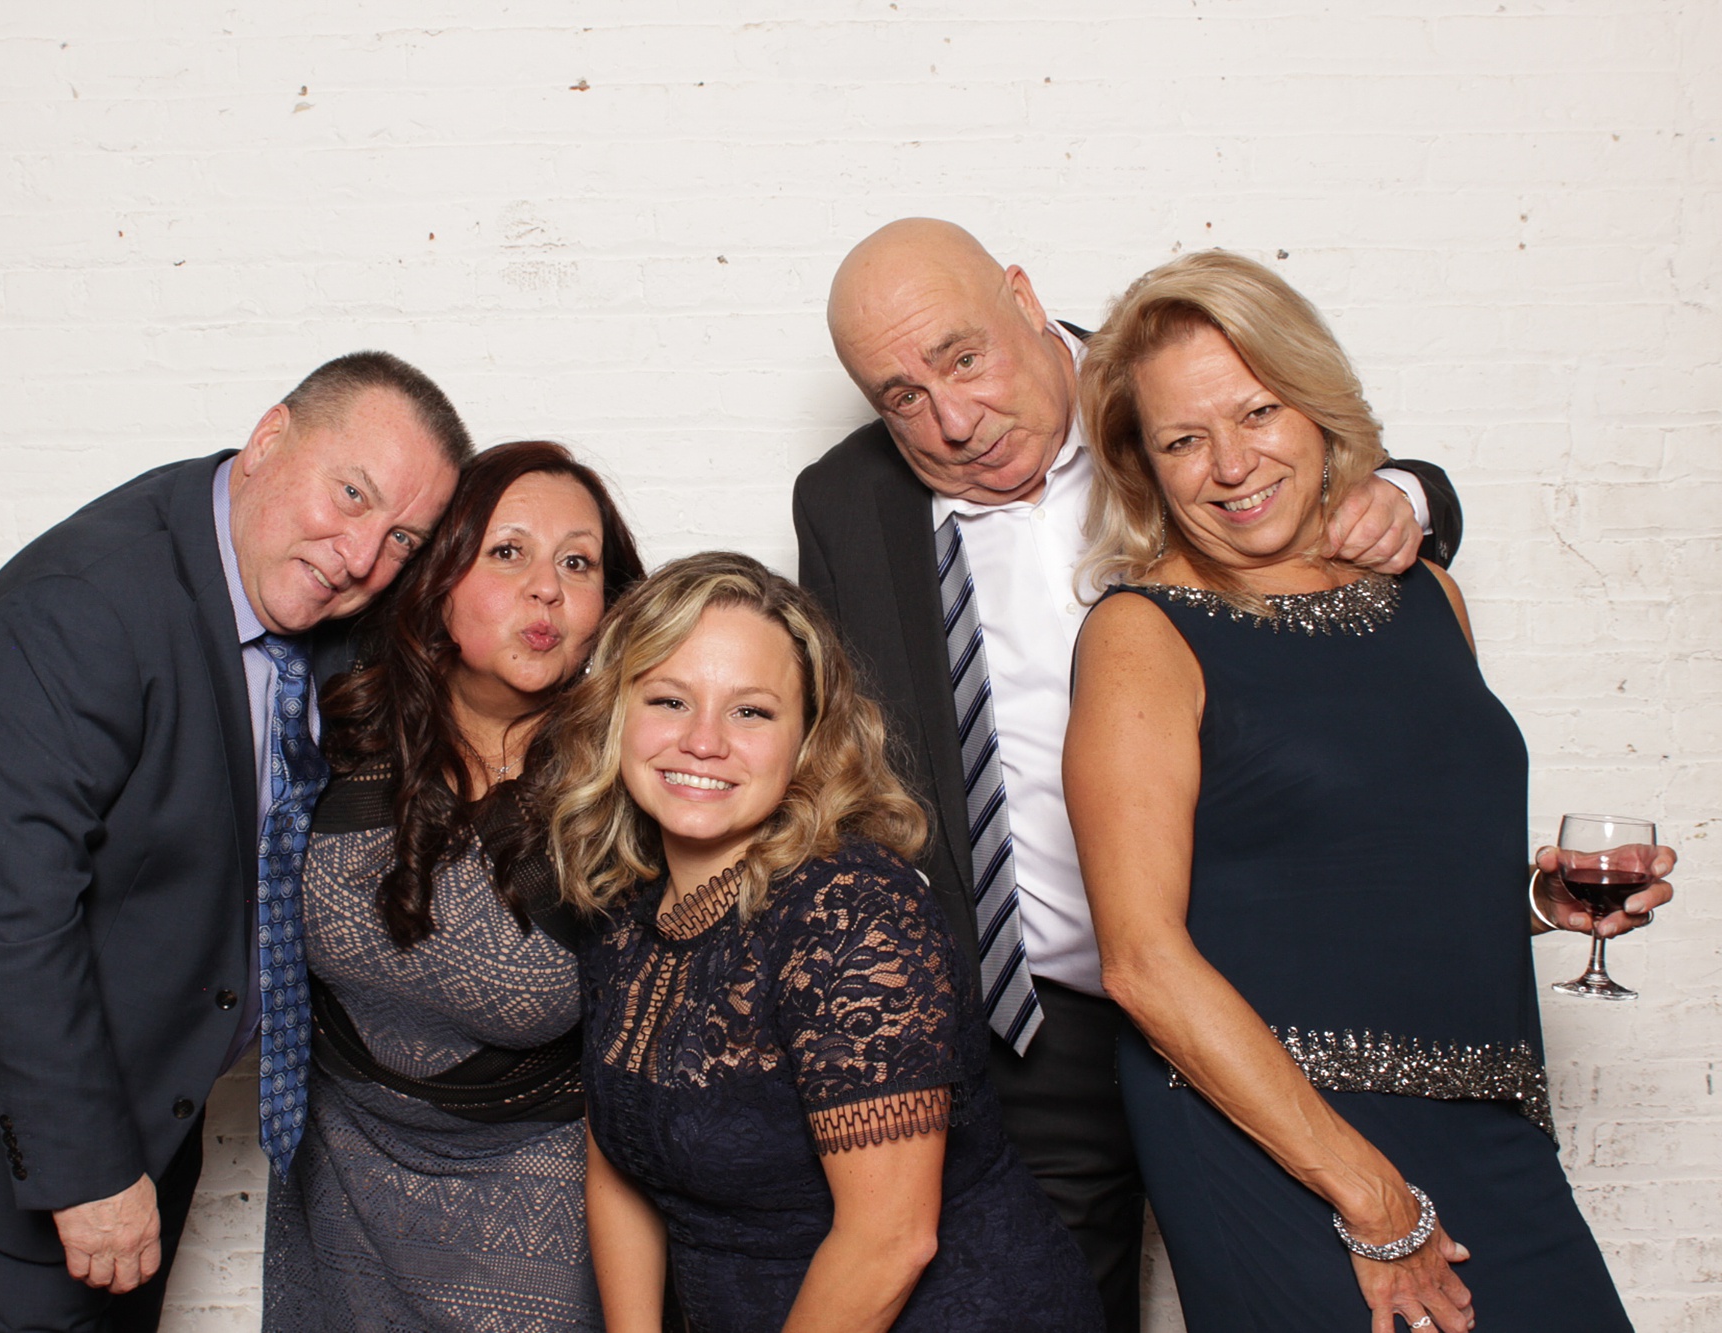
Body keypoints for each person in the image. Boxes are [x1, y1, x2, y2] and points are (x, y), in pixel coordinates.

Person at [792, 218, 1465, 1329]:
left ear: (1021, 293)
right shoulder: (843, 500)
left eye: (962, 357)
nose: (951, 421)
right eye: (900, 396)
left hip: (1263, 1001)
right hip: (1030, 1030)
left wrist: (1410, 493)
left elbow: (1320, 463)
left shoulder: (1164, 387)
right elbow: (853, 755)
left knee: (1329, 1297)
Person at [1064, 249, 1676, 1332]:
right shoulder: (1138, 635)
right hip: (1280, 1144)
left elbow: (1367, 882)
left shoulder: (1425, 593)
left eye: (1256, 412)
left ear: (1314, 406)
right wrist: (1368, 1195)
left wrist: (1540, 908)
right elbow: (1141, 960)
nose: (1228, 463)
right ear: (1142, 467)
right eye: (1181, 440)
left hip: (1492, 1128)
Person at [0, 351, 469, 1332]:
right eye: (349, 495)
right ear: (267, 440)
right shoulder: (85, 605)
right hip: (12, 1132)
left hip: (148, 1114)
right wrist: (86, 1172)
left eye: (399, 537)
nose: (357, 556)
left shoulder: (321, 607)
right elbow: (8, 912)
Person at [543, 552, 1105, 1333]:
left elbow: (892, 1238)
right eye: (670, 699)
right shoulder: (628, 910)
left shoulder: (853, 910)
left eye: (751, 711)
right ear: (614, 713)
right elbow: (620, 1159)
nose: (703, 740)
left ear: (808, 738)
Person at [262, 440, 645, 1332]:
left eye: (577, 562)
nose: (546, 587)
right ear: (436, 582)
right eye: (507, 551)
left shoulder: (630, 793)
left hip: (538, 1225)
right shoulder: (334, 726)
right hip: (336, 1200)